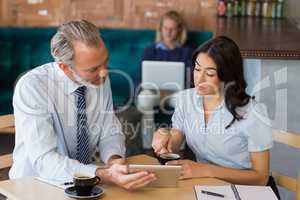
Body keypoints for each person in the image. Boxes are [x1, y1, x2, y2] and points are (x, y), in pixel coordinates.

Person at [10, 20, 156, 190]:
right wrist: (105, 174)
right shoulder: (33, 86)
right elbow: (45, 161)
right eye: (93, 69)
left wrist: (114, 160)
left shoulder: (101, 78)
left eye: (105, 62)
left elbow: (109, 128)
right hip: (34, 185)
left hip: (84, 183)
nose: (104, 73)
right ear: (65, 67)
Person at [152, 36, 273, 186]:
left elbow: (261, 178)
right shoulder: (186, 100)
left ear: (227, 75)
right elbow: (177, 137)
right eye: (197, 69)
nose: (199, 79)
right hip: (208, 186)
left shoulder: (252, 112)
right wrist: (165, 137)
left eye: (209, 74)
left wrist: (205, 170)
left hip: (247, 190)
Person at [137, 10, 193, 149]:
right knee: (144, 98)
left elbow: (190, 81)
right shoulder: (150, 51)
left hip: (175, 94)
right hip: (154, 93)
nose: (168, 32)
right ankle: (148, 146)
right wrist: (149, 87)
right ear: (161, 29)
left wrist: (176, 89)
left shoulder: (187, 52)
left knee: (185, 100)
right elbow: (140, 78)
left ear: (179, 30)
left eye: (173, 29)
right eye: (166, 28)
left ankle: (178, 147)